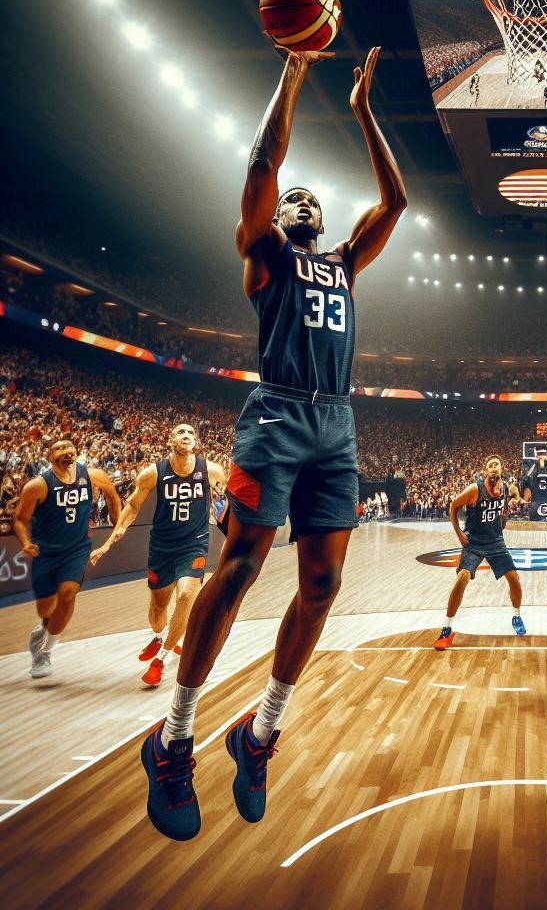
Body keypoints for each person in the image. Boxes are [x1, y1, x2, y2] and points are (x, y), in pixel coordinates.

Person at [140, 41, 407, 842]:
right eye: (288, 197)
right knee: (245, 563)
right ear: (275, 218)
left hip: (338, 422)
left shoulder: (346, 263)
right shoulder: (263, 258)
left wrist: (364, 113)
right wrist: (295, 71)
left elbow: (395, 202)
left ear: (321, 221)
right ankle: (174, 737)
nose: (297, 199)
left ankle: (258, 736)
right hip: (278, 412)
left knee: (321, 586)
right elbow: (264, 156)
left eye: (307, 199)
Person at [90, 423, 226, 687]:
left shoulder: (211, 470)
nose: (186, 436)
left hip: (194, 543)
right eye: (180, 433)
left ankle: (161, 659)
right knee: (158, 608)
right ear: (170, 440)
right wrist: (109, 541)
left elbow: (226, 502)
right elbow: (133, 506)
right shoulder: (153, 474)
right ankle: (159, 635)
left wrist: (234, 536)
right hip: (162, 547)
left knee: (187, 594)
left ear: (195, 442)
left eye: (191, 434)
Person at [14, 438, 122, 678]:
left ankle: (45, 653)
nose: (66, 451)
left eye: (69, 447)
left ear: (76, 452)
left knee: (68, 592)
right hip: (46, 551)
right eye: (59, 448)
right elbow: (20, 519)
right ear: (50, 457)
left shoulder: (94, 475)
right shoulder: (38, 485)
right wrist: (25, 542)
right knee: (46, 607)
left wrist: (118, 523)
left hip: (77, 549)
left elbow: (113, 497)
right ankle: (43, 628)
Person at [435, 455, 525, 650]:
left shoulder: (507, 488)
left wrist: (505, 516)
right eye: (490, 466)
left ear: (502, 469)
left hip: (496, 542)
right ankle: (446, 628)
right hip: (474, 542)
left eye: (497, 465)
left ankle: (516, 616)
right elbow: (453, 506)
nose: (494, 468)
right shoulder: (475, 489)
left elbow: (510, 500)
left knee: (514, 579)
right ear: (485, 471)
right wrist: (459, 532)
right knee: (462, 578)